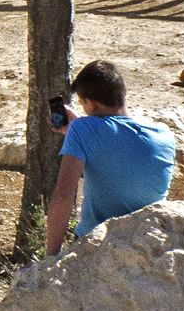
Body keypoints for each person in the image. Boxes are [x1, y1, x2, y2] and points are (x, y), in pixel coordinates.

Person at [46, 60, 175, 256]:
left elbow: (64, 196)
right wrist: (76, 131)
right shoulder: (164, 133)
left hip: (98, 245)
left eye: (83, 103)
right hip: (150, 242)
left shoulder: (82, 129)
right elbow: (121, 155)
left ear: (93, 104)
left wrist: (50, 258)